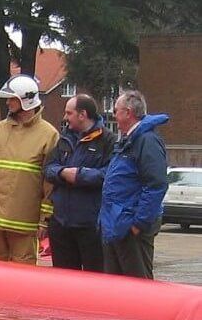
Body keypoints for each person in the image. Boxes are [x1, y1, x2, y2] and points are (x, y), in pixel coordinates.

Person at [0, 74, 59, 264]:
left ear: (26, 101)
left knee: (21, 280)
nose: (8, 102)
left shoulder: (49, 135)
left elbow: (50, 185)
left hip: (24, 225)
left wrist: (45, 219)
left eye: (12, 98)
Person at [99, 90, 169, 279]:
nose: (113, 115)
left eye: (116, 111)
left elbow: (156, 185)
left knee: (138, 285)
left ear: (128, 112)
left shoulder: (146, 141)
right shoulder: (128, 141)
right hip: (118, 225)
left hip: (131, 227)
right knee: (116, 286)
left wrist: (139, 223)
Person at [43, 94, 116, 272]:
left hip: (90, 226)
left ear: (82, 114)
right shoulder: (64, 139)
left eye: (69, 113)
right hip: (61, 223)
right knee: (63, 280)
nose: (65, 118)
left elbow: (110, 175)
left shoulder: (108, 141)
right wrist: (62, 172)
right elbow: (47, 169)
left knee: (94, 279)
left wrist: (80, 176)